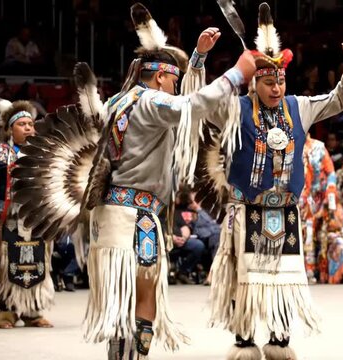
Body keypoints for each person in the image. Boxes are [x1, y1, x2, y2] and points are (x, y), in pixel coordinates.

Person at [79, 4, 256, 359]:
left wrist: (197, 60)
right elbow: (193, 104)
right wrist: (237, 74)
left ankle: (123, 356)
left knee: (121, 300)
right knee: (142, 297)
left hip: (110, 216)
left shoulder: (118, 101)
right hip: (136, 215)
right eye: (172, 79)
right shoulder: (152, 101)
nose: (174, 87)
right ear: (160, 77)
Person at [207, 3, 343, 360]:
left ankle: (279, 341)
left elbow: (340, 99)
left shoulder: (299, 106)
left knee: (283, 281)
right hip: (247, 211)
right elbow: (201, 102)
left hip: (285, 214)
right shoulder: (235, 108)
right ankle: (245, 342)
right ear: (253, 82)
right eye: (267, 81)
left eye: (280, 80)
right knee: (245, 280)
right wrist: (200, 59)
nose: (276, 88)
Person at [0, 98, 55, 329]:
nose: (29, 127)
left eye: (31, 123)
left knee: (36, 262)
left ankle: (32, 312)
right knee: (7, 264)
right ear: (9, 129)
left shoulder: (42, 153)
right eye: (22, 124)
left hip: (36, 219)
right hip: (7, 218)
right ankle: (6, 312)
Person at [300, 133, 337, 284]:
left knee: (311, 233)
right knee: (299, 232)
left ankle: (312, 269)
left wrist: (331, 194)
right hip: (293, 196)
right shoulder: (284, 140)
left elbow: (331, 173)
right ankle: (300, 268)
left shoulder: (318, 147)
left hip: (316, 198)